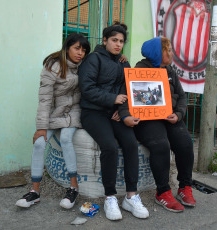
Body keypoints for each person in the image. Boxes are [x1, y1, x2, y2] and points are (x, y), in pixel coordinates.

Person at [78, 22, 149, 220]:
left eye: (121, 42)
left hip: (115, 113)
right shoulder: (93, 59)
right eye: (114, 40)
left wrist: (121, 109)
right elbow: (87, 88)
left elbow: (127, 88)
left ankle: (131, 196)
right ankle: (110, 197)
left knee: (130, 144)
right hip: (93, 113)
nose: (118, 45)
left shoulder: (123, 63)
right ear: (105, 41)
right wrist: (112, 99)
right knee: (109, 146)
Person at [119, 37, 196, 213]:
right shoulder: (138, 71)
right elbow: (125, 97)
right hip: (148, 120)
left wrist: (178, 115)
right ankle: (163, 192)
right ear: (156, 53)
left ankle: (185, 187)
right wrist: (125, 117)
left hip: (170, 117)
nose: (171, 53)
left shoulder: (170, 71)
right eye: (167, 50)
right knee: (161, 145)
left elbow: (182, 97)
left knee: (185, 143)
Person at [16, 33, 91, 209]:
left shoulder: (85, 65)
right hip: (53, 113)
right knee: (39, 143)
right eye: (77, 48)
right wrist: (41, 127)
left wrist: (120, 58)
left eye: (84, 50)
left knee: (66, 138)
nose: (80, 53)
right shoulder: (53, 66)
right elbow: (44, 99)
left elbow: (102, 58)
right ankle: (34, 192)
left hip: (74, 112)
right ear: (67, 47)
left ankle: (73, 188)